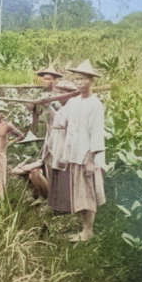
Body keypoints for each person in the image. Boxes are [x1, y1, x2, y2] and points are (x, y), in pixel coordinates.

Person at [48, 60, 106, 242]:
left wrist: (91, 160)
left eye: (83, 79)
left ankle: (88, 232)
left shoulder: (95, 104)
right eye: (77, 79)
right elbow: (60, 121)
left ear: (91, 81)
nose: (79, 83)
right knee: (79, 194)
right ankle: (84, 229)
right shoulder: (73, 102)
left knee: (87, 195)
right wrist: (46, 105)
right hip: (72, 154)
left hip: (86, 155)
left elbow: (97, 133)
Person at [10, 131, 48, 198]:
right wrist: (25, 166)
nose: (28, 148)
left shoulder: (42, 157)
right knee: (30, 173)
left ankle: (42, 197)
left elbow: (29, 168)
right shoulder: (28, 160)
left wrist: (26, 169)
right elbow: (14, 170)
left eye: (30, 145)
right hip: (33, 189)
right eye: (26, 145)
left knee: (34, 173)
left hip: (47, 187)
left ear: (36, 144)